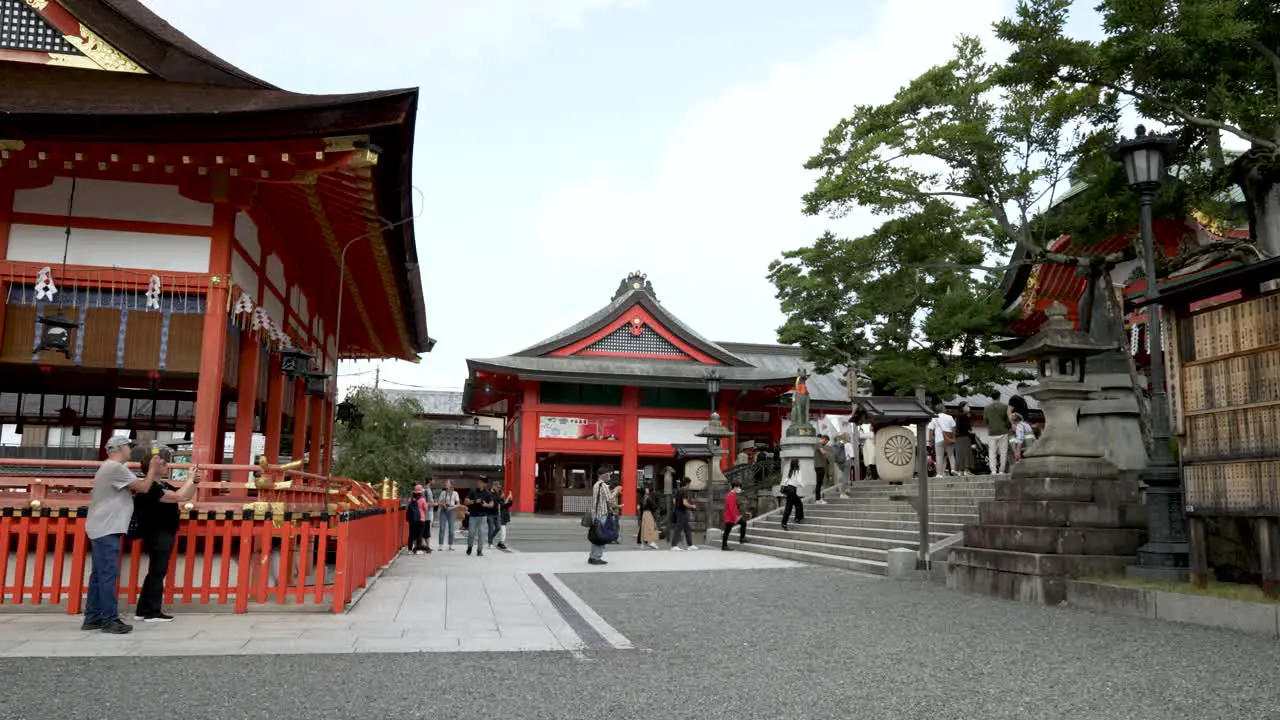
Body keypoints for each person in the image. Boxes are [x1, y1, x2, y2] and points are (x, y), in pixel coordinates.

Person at [83, 435, 154, 634]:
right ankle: (109, 619)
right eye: (128, 446)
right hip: (107, 527)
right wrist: (154, 470)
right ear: (120, 447)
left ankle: (93, 616)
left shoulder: (107, 467)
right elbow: (144, 487)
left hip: (100, 526)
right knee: (107, 575)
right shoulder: (115, 468)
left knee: (99, 575)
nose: (130, 450)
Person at [132, 446, 198, 623]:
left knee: (156, 571)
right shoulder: (150, 487)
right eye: (163, 463)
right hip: (158, 531)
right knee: (158, 571)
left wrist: (194, 482)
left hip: (164, 530)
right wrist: (189, 479)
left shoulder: (162, 485)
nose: (166, 465)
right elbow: (177, 496)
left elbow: (185, 496)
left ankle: (143, 609)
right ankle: (152, 611)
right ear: (153, 466)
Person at [587, 465, 615, 566]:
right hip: (602, 514)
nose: (610, 476)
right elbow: (610, 500)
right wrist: (616, 491)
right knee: (601, 536)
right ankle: (596, 557)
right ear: (604, 474)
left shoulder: (596, 485)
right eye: (609, 474)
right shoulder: (603, 485)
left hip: (595, 514)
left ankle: (592, 556)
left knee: (596, 535)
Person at [983, 391, 1011, 474]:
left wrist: (990, 426)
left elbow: (985, 420)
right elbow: (1008, 419)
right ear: (999, 396)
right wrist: (1007, 426)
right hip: (1003, 430)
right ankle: (1002, 470)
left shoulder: (986, 408)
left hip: (991, 432)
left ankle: (993, 470)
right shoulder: (1005, 406)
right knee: (1003, 452)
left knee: (992, 452)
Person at [466, 478, 495, 557]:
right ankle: (470, 546)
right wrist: (474, 501)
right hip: (473, 516)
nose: (478, 483)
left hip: (483, 517)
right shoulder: (472, 491)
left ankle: (479, 550)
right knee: (471, 533)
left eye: (481, 482)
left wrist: (486, 505)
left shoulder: (488, 493)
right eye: (478, 481)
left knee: (481, 534)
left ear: (485, 484)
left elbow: (492, 504)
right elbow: (466, 501)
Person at [669, 477, 697, 551]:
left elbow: (674, 501)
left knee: (687, 528)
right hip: (681, 511)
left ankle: (690, 545)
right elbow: (685, 503)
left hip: (678, 510)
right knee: (678, 528)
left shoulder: (678, 490)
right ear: (687, 483)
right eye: (689, 484)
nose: (689, 485)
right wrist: (692, 506)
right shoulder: (684, 491)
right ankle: (673, 545)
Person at [721, 479, 747, 551]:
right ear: (735, 487)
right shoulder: (731, 495)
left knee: (728, 530)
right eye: (739, 487)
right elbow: (732, 507)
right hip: (731, 517)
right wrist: (736, 517)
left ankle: (725, 545)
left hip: (730, 516)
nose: (740, 489)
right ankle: (741, 539)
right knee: (728, 530)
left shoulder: (731, 495)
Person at [780, 458, 804, 531]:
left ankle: (797, 518)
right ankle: (785, 523)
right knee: (790, 506)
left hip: (789, 489)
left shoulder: (790, 471)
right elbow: (799, 481)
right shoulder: (798, 471)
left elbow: (786, 480)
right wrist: (803, 485)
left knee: (797, 503)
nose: (799, 464)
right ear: (797, 464)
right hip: (792, 490)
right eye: (799, 463)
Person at [933, 403, 957, 476]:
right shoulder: (950, 417)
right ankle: (953, 469)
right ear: (943, 409)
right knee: (951, 454)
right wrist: (953, 437)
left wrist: (930, 440)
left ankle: (939, 473)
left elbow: (930, 429)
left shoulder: (934, 418)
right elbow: (953, 428)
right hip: (948, 437)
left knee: (939, 456)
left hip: (938, 439)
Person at [407, 484, 431, 555]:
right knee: (419, 535)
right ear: (421, 492)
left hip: (412, 520)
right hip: (421, 519)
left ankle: (410, 550)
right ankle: (418, 549)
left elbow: (407, 508)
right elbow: (425, 509)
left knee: (411, 535)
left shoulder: (410, 499)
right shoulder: (422, 500)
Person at [436, 480, 459, 550]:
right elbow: (439, 502)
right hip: (443, 510)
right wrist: (443, 504)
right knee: (442, 528)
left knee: (451, 529)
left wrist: (451, 506)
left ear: (451, 485)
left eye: (447, 483)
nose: (445, 484)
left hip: (451, 511)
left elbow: (458, 504)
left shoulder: (455, 493)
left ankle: (450, 544)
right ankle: (440, 545)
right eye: (445, 483)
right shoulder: (443, 492)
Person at [490, 487, 513, 551]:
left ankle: (497, 541)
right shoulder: (498, 500)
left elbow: (506, 504)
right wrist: (509, 497)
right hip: (500, 517)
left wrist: (510, 498)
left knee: (502, 530)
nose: (503, 495)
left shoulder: (501, 500)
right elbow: (503, 506)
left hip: (504, 517)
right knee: (502, 530)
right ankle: (500, 542)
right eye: (502, 494)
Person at [954, 404, 974, 476]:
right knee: (966, 454)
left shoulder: (957, 417)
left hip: (958, 438)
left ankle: (959, 470)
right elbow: (968, 427)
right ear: (962, 407)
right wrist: (969, 417)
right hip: (965, 437)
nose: (969, 407)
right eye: (966, 406)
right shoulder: (965, 416)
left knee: (959, 454)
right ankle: (966, 470)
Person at [814, 436, 831, 503]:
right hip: (819, 467)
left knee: (820, 483)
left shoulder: (821, 445)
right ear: (824, 439)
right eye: (826, 441)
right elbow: (822, 452)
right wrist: (827, 452)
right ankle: (817, 499)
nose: (826, 443)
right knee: (819, 483)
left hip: (821, 467)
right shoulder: (819, 444)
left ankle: (819, 499)